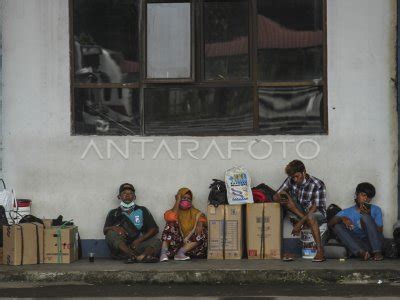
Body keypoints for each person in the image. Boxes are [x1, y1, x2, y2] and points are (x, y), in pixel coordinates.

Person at [273, 160, 327, 262]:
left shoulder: (318, 184)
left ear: (304, 172)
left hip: (317, 214)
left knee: (310, 217)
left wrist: (300, 223)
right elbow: (276, 195)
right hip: (301, 212)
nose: (295, 179)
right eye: (293, 177)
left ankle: (320, 252)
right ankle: (294, 252)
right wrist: (280, 198)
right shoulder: (291, 179)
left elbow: (314, 208)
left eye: (297, 176)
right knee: (284, 195)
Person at [104, 183, 161, 263]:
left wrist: (139, 240)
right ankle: (131, 255)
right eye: (124, 193)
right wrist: (114, 228)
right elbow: (105, 230)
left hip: (138, 246)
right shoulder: (113, 213)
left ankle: (142, 256)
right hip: (121, 249)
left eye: (130, 193)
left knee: (157, 241)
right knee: (110, 233)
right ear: (119, 197)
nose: (127, 195)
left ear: (134, 197)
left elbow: (154, 229)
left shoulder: (142, 210)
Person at [329, 182, 383, 261]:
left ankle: (377, 252)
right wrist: (342, 218)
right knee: (337, 226)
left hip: (375, 243)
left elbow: (380, 231)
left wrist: (369, 216)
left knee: (365, 218)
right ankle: (361, 253)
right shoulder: (347, 212)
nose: (365, 199)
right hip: (360, 245)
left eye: (369, 197)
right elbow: (330, 224)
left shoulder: (376, 209)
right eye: (363, 195)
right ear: (356, 194)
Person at [160, 187, 208, 262]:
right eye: (184, 198)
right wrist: (178, 201)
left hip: (191, 249)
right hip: (176, 246)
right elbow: (171, 217)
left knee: (203, 230)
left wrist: (200, 223)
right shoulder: (170, 211)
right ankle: (163, 254)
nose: (186, 200)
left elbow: (203, 219)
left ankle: (180, 253)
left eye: (189, 199)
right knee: (171, 223)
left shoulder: (195, 212)